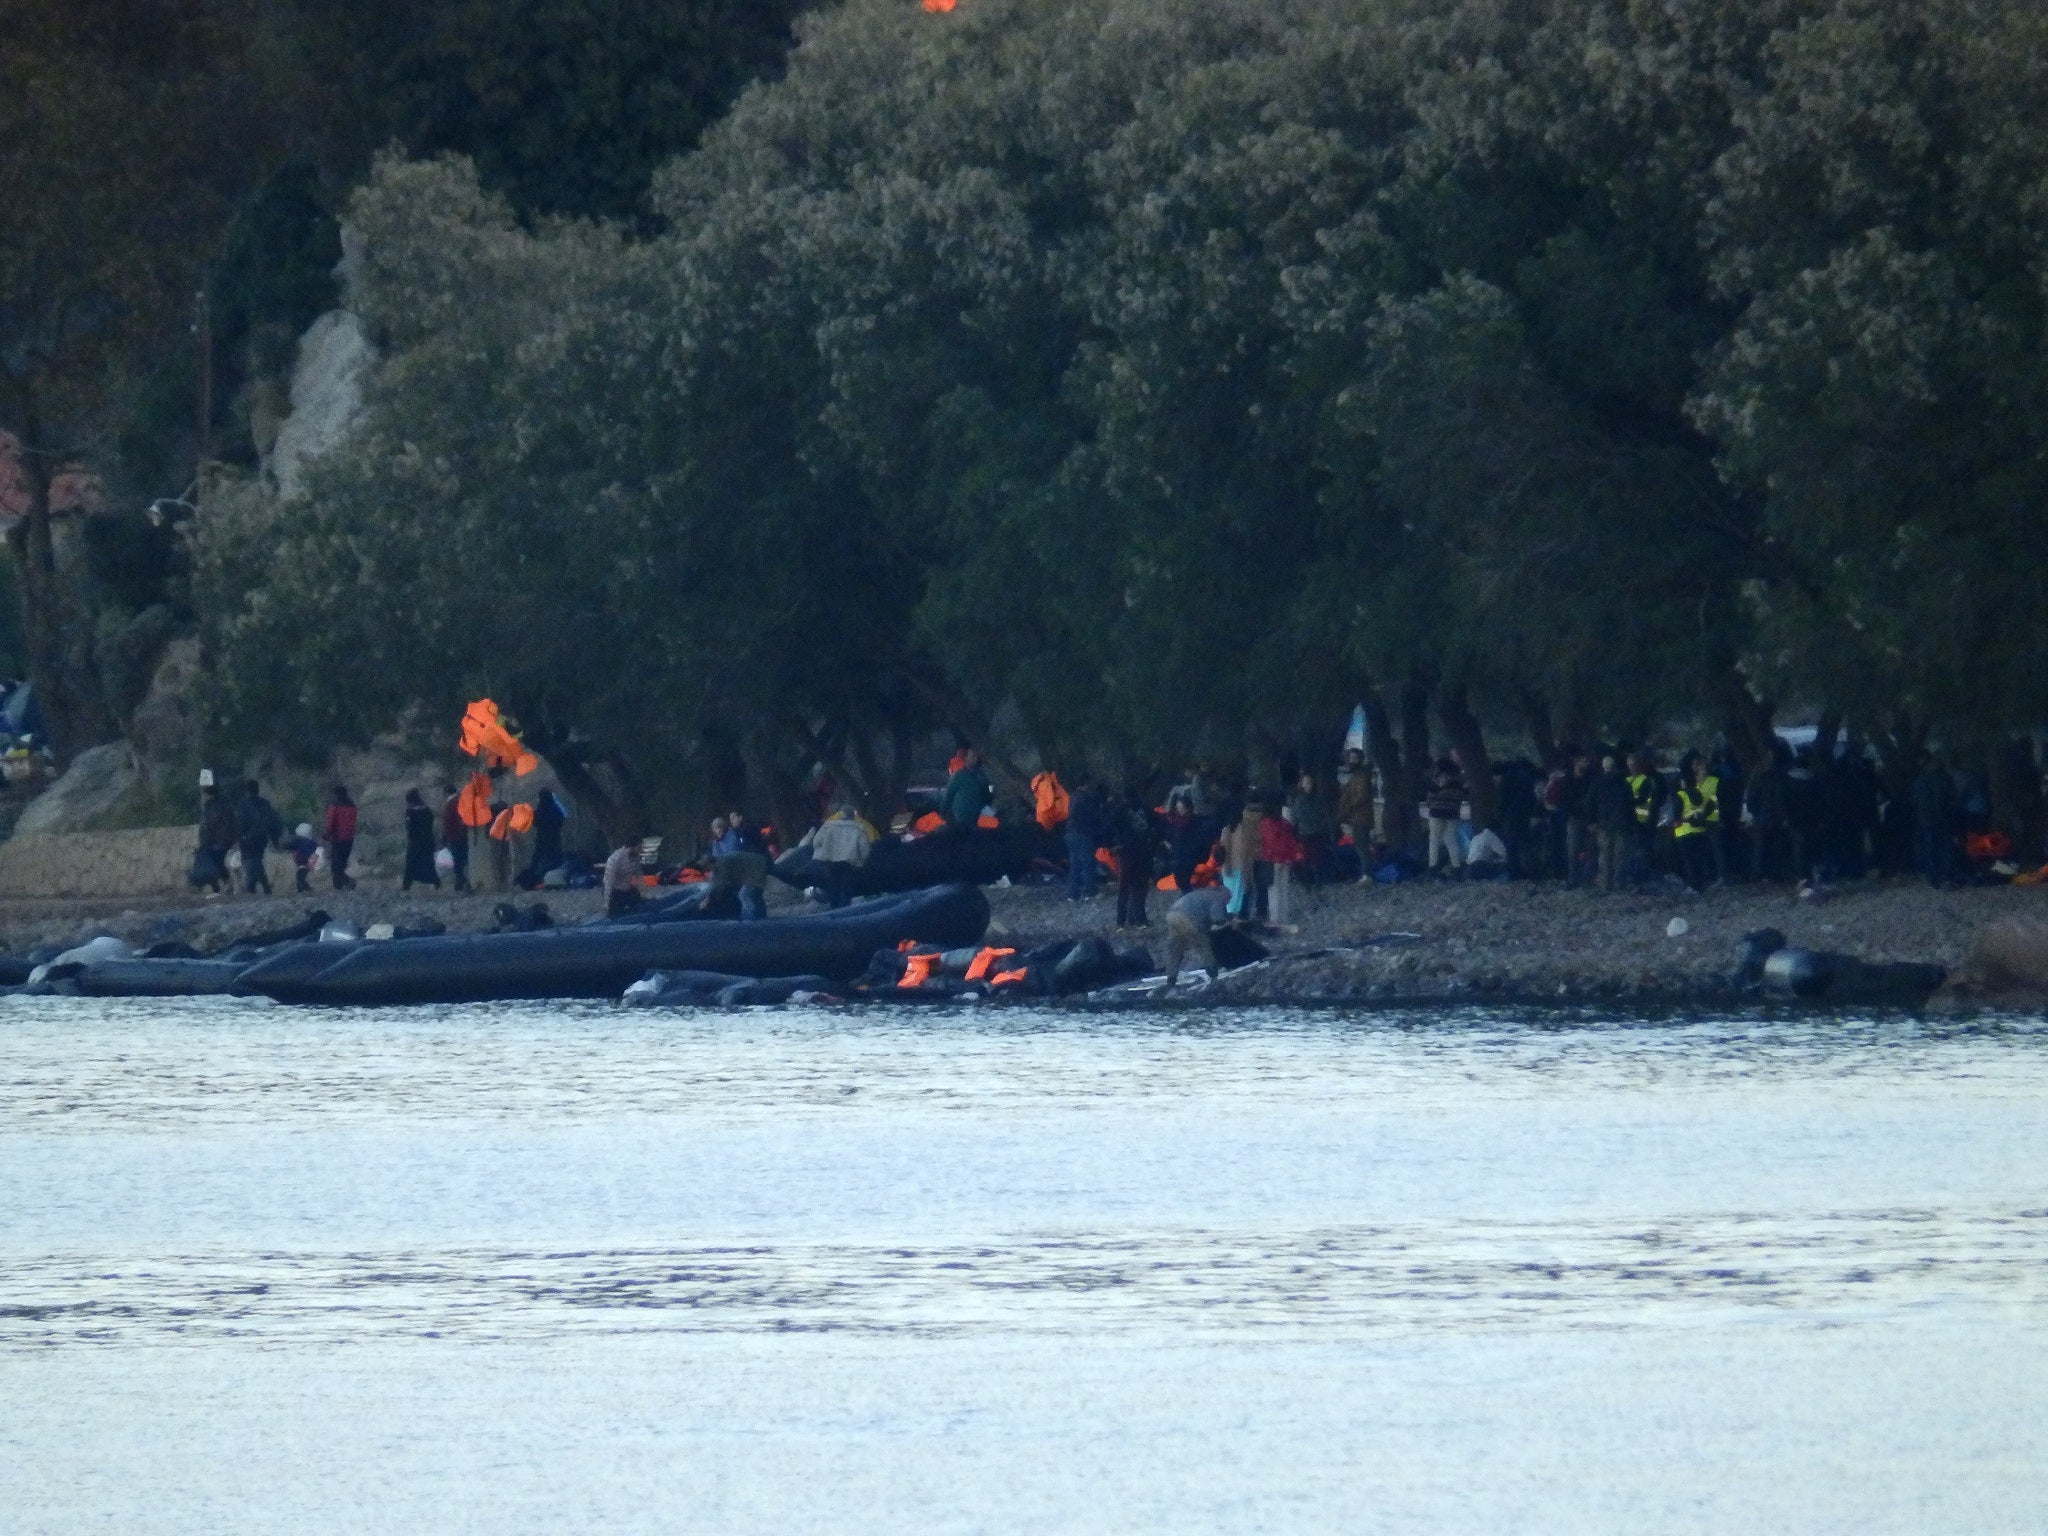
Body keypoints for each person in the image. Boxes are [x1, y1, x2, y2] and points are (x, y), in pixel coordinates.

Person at [799, 803, 876, 908]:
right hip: (849, 864)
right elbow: (864, 850)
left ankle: (834, 909)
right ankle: (845, 910)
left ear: (841, 814)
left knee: (832, 886)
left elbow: (816, 842)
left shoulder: (828, 826)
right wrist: (863, 862)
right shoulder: (859, 829)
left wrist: (824, 851)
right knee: (845, 888)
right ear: (853, 816)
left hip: (829, 862)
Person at [1161, 884, 1233, 986]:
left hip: (1172, 914)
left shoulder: (1203, 894)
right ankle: (1213, 975)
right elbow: (1217, 919)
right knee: (1202, 944)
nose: (1228, 902)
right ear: (1225, 895)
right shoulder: (1219, 898)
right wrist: (1230, 921)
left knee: (1175, 948)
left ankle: (1171, 979)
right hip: (1187, 917)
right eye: (1229, 899)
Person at [1674, 753, 1722, 889]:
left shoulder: (1683, 793)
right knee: (1699, 859)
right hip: (1698, 827)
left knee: (1692, 860)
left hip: (1693, 827)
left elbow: (1678, 813)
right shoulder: (1696, 790)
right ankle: (1701, 883)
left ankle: (1695, 884)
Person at [1113, 791, 1157, 928]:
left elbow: (1110, 827)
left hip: (1127, 853)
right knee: (1139, 887)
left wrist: (1116, 844)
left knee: (1126, 888)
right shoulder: (1145, 808)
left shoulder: (1120, 810)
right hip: (1141, 852)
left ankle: (1122, 921)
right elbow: (1155, 826)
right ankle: (1138, 919)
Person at [1259, 796, 1306, 923]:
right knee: (1283, 890)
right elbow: (1291, 841)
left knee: (1274, 892)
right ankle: (1283, 918)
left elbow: (1271, 843)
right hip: (1286, 860)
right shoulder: (1285, 823)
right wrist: (1290, 857)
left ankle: (1275, 920)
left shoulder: (1265, 823)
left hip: (1272, 861)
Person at [231, 779, 283, 895]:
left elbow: (239, 822)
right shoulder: (265, 803)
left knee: (250, 862)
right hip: (262, 838)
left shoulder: (243, 804)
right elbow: (273, 820)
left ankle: (256, 887)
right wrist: (275, 838)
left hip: (247, 838)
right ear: (257, 789)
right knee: (256, 861)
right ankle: (257, 887)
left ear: (247, 790)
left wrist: (239, 836)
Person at [1912, 757, 1958, 888]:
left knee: (1931, 848)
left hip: (1926, 819)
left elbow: (1915, 800)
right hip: (1943, 818)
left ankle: (1933, 878)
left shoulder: (1920, 780)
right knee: (1946, 847)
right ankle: (1948, 876)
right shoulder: (1945, 779)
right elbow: (1952, 799)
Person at [1592, 756, 1635, 891]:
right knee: (1618, 856)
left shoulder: (1598, 783)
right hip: (1619, 825)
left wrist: (1593, 820)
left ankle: (1606, 884)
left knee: (1607, 856)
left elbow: (1589, 803)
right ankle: (1617, 884)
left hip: (1606, 824)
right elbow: (1630, 805)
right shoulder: (1623, 783)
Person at [1286, 772, 1334, 883]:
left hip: (1317, 831)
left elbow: (1323, 814)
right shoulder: (1299, 799)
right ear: (1302, 784)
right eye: (1306, 783)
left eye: (1310, 783)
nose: (1309, 785)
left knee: (1317, 856)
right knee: (1307, 856)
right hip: (1305, 832)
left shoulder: (1318, 798)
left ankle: (1317, 878)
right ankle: (1308, 878)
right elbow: (1297, 816)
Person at [1336, 749, 1375, 883]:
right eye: (1350, 758)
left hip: (1360, 816)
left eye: (1354, 758)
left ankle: (1367, 874)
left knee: (1361, 845)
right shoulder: (1357, 775)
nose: (1352, 761)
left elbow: (1361, 796)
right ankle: (1366, 872)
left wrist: (1347, 808)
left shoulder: (1361, 776)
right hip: (1357, 816)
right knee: (1360, 844)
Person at [1064, 778, 1104, 901]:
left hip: (1069, 834)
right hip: (1081, 834)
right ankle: (1089, 892)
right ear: (1087, 783)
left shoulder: (1073, 797)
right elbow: (1092, 816)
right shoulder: (1085, 798)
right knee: (1088, 863)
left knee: (1075, 864)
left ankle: (1072, 894)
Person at [1425, 757, 1465, 875]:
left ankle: (1433, 867)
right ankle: (1456, 866)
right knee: (1450, 838)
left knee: (1434, 839)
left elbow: (1430, 796)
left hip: (1436, 811)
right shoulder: (1458, 781)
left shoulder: (1438, 779)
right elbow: (1462, 796)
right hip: (1453, 813)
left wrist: (1431, 804)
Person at [519, 789, 566, 887]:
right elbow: (561, 820)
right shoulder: (555, 808)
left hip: (542, 838)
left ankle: (536, 878)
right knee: (555, 857)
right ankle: (554, 877)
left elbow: (535, 822)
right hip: (554, 838)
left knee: (538, 858)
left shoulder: (540, 809)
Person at [940, 746, 993, 833]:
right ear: (966, 758)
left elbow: (988, 793)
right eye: (972, 756)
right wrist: (943, 813)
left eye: (977, 756)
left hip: (979, 818)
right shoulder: (958, 776)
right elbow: (948, 796)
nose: (975, 759)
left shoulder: (982, 776)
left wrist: (989, 803)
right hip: (961, 819)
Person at [196, 784, 236, 894]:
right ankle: (223, 885)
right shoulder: (224, 804)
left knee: (215, 863)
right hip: (223, 840)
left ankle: (221, 886)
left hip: (216, 841)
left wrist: (205, 840)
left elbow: (209, 825)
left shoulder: (210, 806)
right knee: (217, 863)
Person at [711, 848, 770, 919]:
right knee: (754, 895)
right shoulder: (722, 860)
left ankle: (750, 920)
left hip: (756, 868)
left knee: (745, 894)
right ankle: (761, 918)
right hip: (758, 864)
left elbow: (722, 883)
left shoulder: (722, 863)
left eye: (708, 868)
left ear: (711, 863)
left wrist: (709, 899)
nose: (709, 871)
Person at [401, 788, 440, 891]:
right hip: (428, 842)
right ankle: (436, 883)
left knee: (410, 865)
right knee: (428, 864)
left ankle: (406, 886)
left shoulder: (410, 812)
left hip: (415, 843)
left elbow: (410, 828)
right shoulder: (427, 810)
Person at [321, 785, 357, 890]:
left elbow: (330, 821)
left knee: (335, 865)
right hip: (349, 838)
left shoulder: (334, 805)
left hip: (337, 838)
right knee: (341, 863)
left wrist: (326, 834)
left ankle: (344, 883)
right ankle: (340, 886)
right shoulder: (352, 805)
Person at [439, 782, 471, 893]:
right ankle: (465, 883)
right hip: (464, 834)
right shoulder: (462, 801)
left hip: (454, 836)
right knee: (464, 859)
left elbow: (447, 823)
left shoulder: (449, 804)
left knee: (457, 861)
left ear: (446, 793)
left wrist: (444, 838)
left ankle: (460, 884)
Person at [603, 836, 644, 917]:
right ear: (632, 847)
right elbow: (608, 882)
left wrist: (641, 890)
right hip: (615, 890)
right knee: (616, 915)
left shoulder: (636, 857)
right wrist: (607, 903)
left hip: (628, 888)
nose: (640, 850)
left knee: (640, 909)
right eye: (639, 847)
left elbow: (639, 874)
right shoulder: (615, 859)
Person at [286, 822, 319, 893]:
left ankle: (304, 888)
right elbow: (315, 846)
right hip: (308, 860)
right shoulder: (311, 841)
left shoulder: (296, 840)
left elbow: (288, 846)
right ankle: (304, 888)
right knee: (302, 874)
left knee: (299, 876)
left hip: (299, 859)